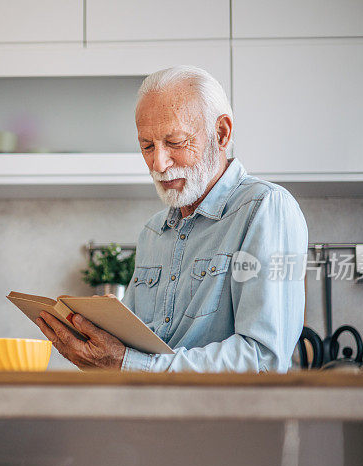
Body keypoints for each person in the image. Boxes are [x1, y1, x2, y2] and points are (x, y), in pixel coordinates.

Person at [35, 65, 308, 373]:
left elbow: (263, 360)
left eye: (175, 143)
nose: (158, 163)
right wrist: (94, 339)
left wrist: (126, 362)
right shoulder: (153, 233)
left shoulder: (266, 209)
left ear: (221, 133)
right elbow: (135, 352)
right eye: (147, 146)